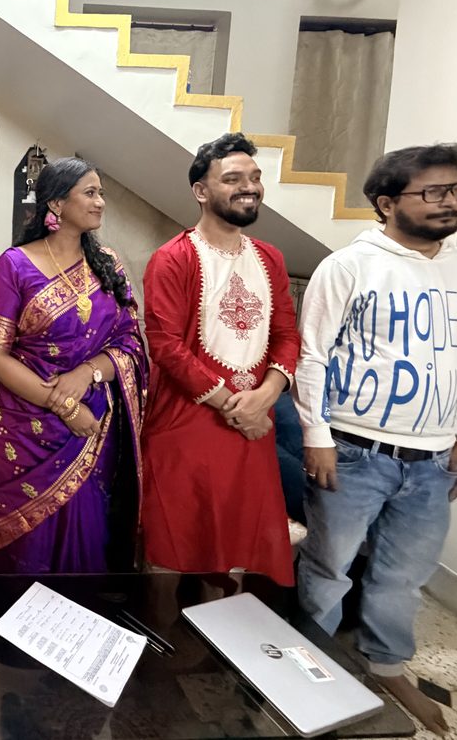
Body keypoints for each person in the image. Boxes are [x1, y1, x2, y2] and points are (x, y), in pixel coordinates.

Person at [294, 143, 457, 734]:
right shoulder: (350, 266)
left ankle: (387, 665)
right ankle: (310, 668)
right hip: (356, 452)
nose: (449, 202)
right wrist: (317, 436)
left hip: (432, 459)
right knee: (328, 566)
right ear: (386, 203)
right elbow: (313, 358)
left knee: (405, 573)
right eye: (432, 192)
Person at [0, 156, 147, 574]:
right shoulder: (14, 265)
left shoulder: (108, 264)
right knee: (24, 550)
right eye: (90, 192)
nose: (100, 202)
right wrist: (65, 405)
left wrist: (87, 373)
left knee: (86, 537)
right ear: (55, 205)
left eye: (100, 192)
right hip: (25, 423)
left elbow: (130, 342)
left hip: (94, 429)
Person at [140, 132, 300, 586]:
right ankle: (164, 647)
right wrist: (237, 406)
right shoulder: (173, 259)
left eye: (254, 177)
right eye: (232, 179)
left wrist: (265, 395)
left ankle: (222, 644)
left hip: (253, 425)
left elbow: (288, 335)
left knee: (236, 548)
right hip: (187, 423)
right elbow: (166, 344)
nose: (248, 187)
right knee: (173, 547)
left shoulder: (270, 259)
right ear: (201, 191)